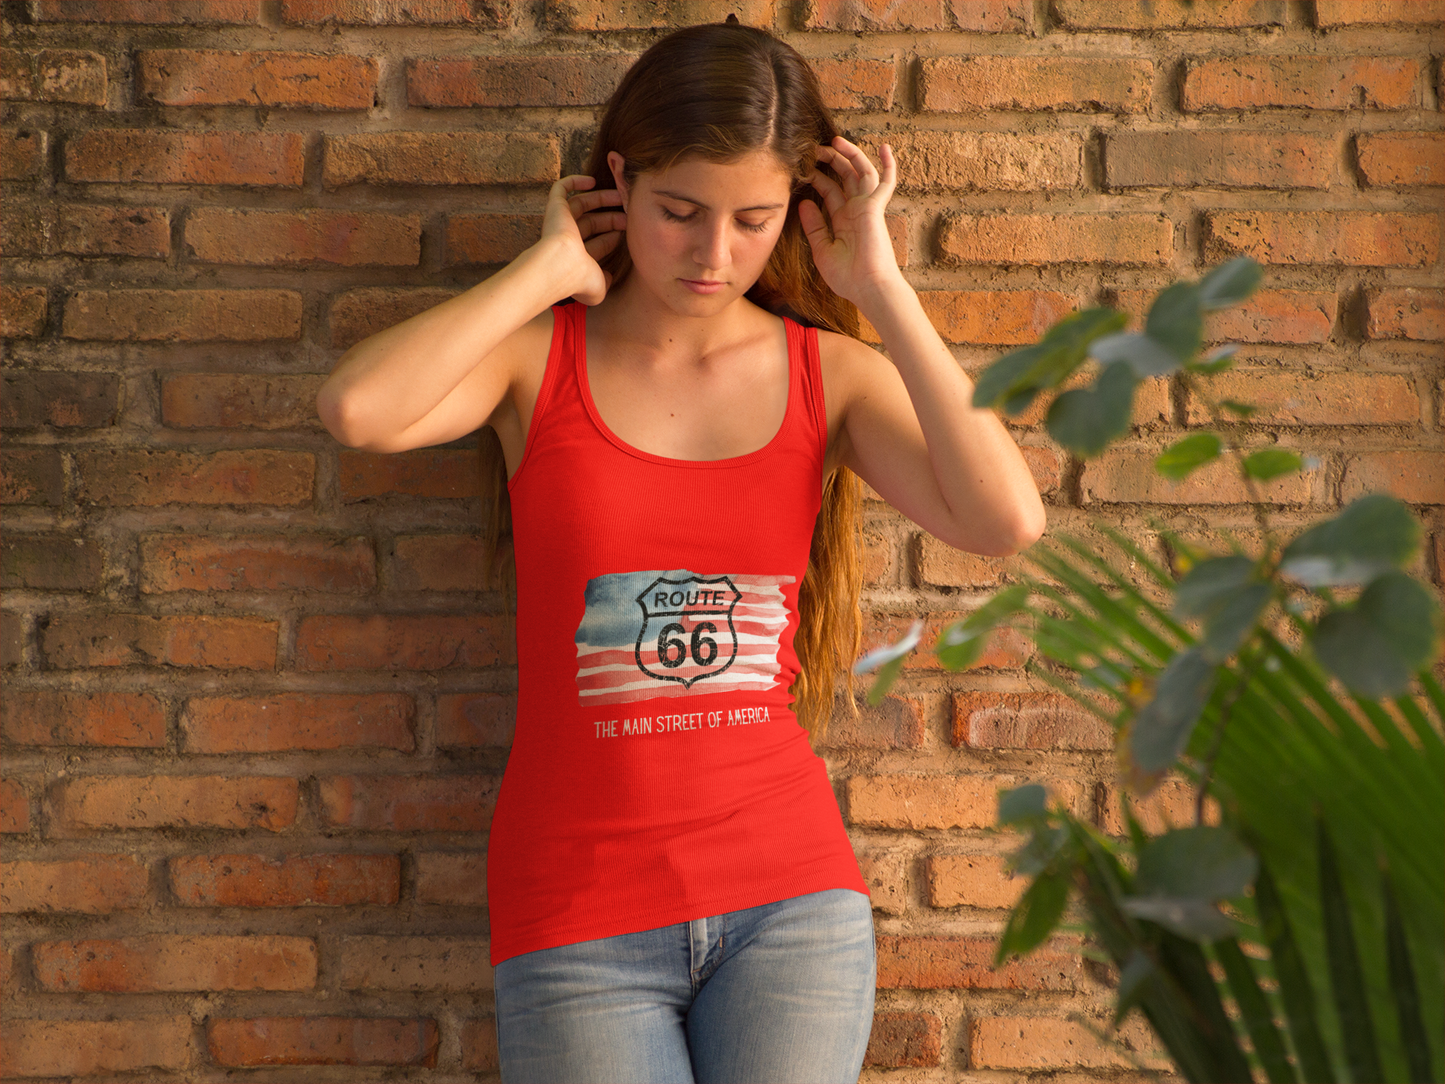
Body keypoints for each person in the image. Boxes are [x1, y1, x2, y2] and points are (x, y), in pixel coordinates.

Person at [316, 22, 1045, 1084]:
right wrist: (543, 270)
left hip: (787, 902)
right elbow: (355, 408)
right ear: (619, 181)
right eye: (677, 213)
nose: (712, 255)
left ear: (791, 211)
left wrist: (882, 287)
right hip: (576, 911)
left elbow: (1003, 520)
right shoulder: (538, 362)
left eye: (750, 221)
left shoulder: (825, 374)